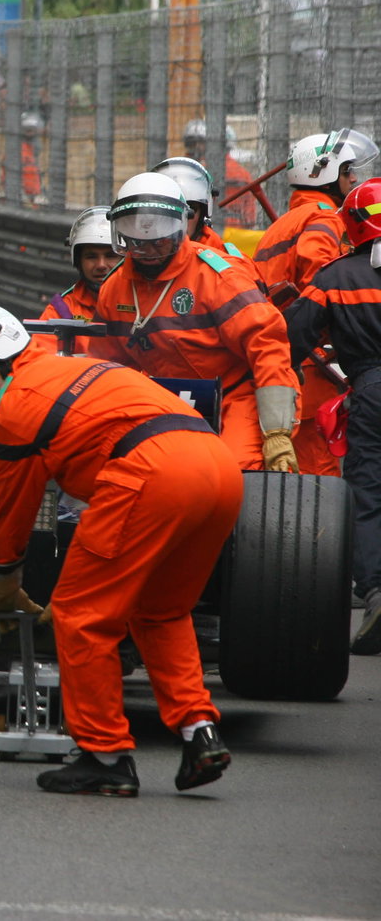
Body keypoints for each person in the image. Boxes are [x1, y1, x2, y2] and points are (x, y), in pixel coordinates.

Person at [0, 303, 238, 796]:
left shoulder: (17, 404)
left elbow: (12, 507)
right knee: (161, 611)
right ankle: (200, 733)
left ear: (2, 350)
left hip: (153, 472)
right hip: (219, 469)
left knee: (81, 616)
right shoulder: (76, 367)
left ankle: (104, 756)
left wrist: (1, 577)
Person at [87, 172, 299, 472]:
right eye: (139, 243)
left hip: (236, 396)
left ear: (178, 229)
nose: (148, 253)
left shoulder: (217, 277)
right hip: (163, 398)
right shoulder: (115, 289)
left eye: (158, 243)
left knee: (236, 471)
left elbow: (268, 345)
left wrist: (276, 431)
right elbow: (107, 364)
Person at [285, 177, 381, 653]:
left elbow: (292, 338)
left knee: (368, 491)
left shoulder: (334, 278)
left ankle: (377, 591)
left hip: (371, 390)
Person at [256, 129, 377, 475]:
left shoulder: (285, 223)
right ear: (322, 173)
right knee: (319, 478)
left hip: (285, 363)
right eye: (347, 171)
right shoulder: (323, 219)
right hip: (310, 372)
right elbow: (319, 285)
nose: (354, 179)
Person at [151, 156, 256, 276]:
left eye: (190, 210)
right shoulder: (135, 262)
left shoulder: (236, 267)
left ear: (203, 213)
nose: (179, 219)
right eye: (167, 211)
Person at [34, 206, 117, 355]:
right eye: (91, 257)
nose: (101, 265)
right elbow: (43, 362)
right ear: (78, 261)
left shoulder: (146, 303)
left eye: (110, 256)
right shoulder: (62, 310)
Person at [184, 120, 253, 226]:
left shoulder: (192, 171)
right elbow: (250, 218)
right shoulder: (242, 173)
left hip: (221, 229)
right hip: (235, 230)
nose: (196, 148)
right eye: (192, 144)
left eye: (201, 143)